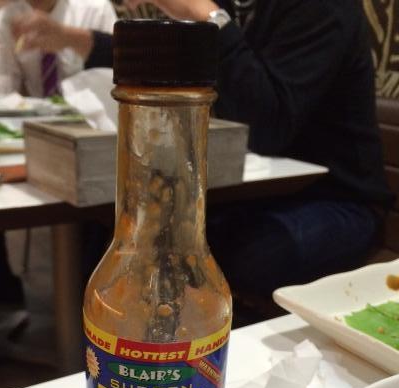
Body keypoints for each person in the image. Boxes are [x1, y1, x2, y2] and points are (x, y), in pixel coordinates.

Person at [41, 0, 393, 310]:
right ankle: (104, 354)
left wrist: (204, 13)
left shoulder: (323, 7)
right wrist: (72, 38)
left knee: (236, 255)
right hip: (257, 192)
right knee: (123, 230)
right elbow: (165, 60)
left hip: (339, 198)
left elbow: (267, 127)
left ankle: (187, 352)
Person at [0, 0, 117, 306]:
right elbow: (1, 93)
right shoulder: (7, 18)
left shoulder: (94, 7)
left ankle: (87, 297)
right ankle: (6, 297)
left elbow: (120, 77)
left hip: (97, 133)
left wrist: (69, 36)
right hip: (37, 133)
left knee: (97, 203)